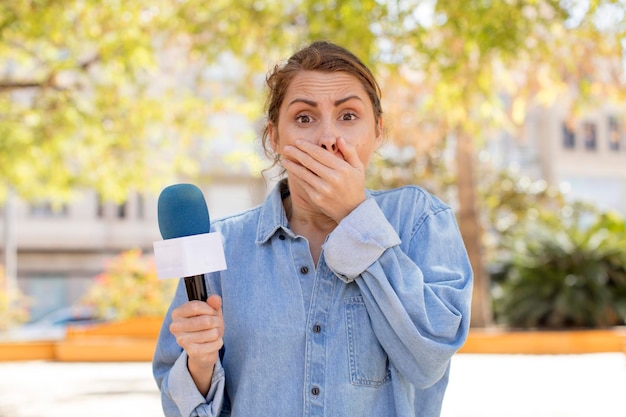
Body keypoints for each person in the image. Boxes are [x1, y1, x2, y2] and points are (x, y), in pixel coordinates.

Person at [153, 40, 473, 417]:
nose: (326, 138)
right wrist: (200, 365)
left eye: (348, 116)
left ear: (378, 131)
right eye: (304, 118)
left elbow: (428, 361)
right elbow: (179, 406)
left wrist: (356, 217)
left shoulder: (420, 220)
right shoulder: (222, 246)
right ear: (275, 138)